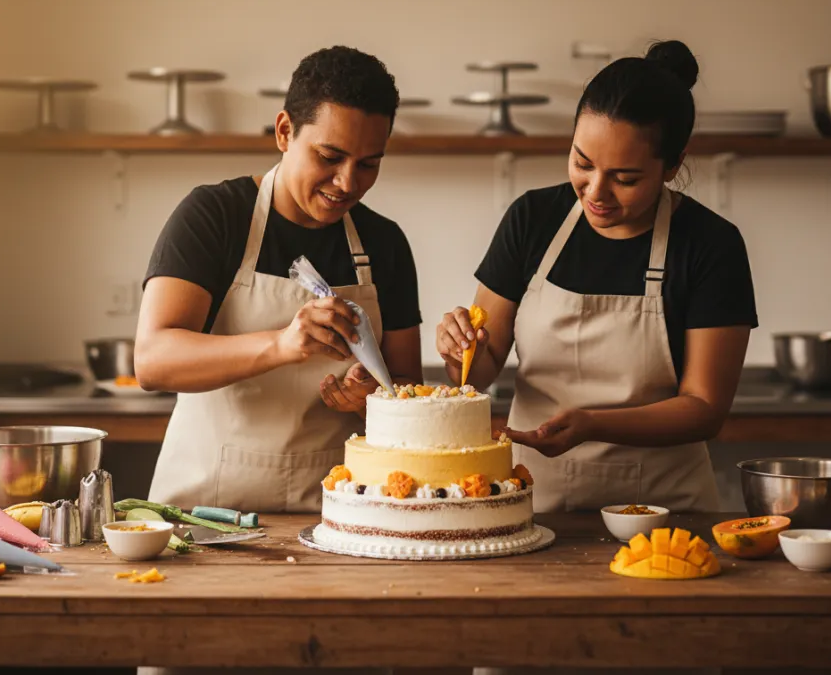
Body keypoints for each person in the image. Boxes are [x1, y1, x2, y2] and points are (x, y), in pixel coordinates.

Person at [438, 40, 757, 518]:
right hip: (530, 503)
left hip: (663, 510)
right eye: (582, 164)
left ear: (672, 165)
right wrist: (458, 349)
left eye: (625, 179)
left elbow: (705, 408)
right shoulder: (533, 219)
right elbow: (480, 370)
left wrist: (593, 424)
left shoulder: (710, 244)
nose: (596, 193)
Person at [136, 46, 422, 518]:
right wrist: (282, 343)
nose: (348, 182)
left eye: (369, 163)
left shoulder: (384, 243)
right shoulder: (215, 216)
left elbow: (408, 388)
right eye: (330, 156)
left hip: (341, 517)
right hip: (204, 515)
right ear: (285, 131)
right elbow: (153, 360)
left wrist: (370, 399)